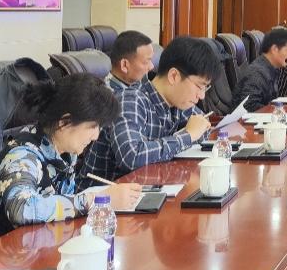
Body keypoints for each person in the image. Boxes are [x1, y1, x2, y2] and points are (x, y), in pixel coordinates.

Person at [0, 74, 142, 264]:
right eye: (92, 126)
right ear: (64, 122)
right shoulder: (22, 156)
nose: (96, 136)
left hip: (17, 260)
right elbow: (21, 209)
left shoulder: (64, 154)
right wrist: (93, 201)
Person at [81, 35, 218, 181]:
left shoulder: (178, 102)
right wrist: (187, 136)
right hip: (103, 192)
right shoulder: (131, 100)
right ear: (174, 76)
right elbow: (131, 157)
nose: (202, 96)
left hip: (148, 186)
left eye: (205, 88)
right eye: (199, 86)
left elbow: (202, 127)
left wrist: (194, 132)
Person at [234, 26, 287, 111]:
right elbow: (249, 105)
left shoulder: (271, 68)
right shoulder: (258, 72)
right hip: (246, 119)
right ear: (274, 49)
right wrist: (277, 110)